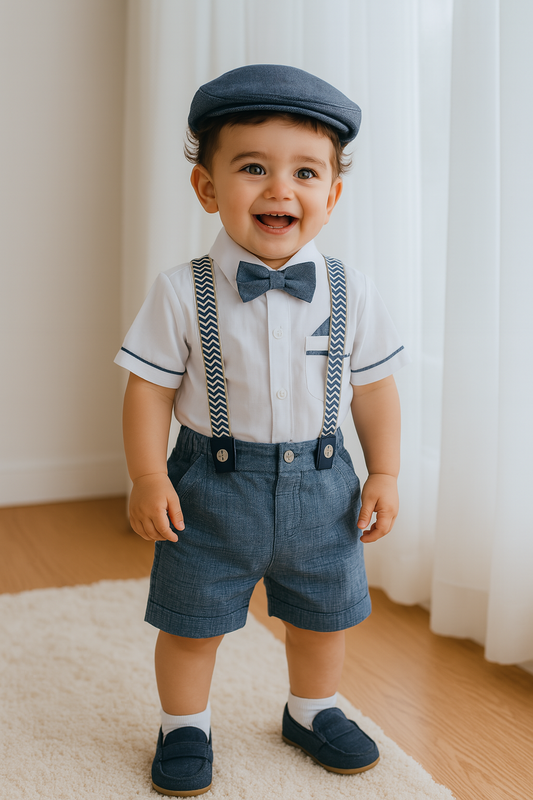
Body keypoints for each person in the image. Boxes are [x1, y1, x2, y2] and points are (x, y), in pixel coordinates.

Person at [115, 64, 409, 797]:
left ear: (331, 196)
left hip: (324, 484)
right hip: (210, 487)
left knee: (322, 615)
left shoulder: (350, 290)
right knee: (191, 620)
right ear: (208, 189)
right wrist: (148, 475)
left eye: (305, 172)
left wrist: (385, 472)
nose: (280, 189)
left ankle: (312, 709)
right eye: (253, 167)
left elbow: (373, 390)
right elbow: (147, 389)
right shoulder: (181, 290)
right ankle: (184, 723)